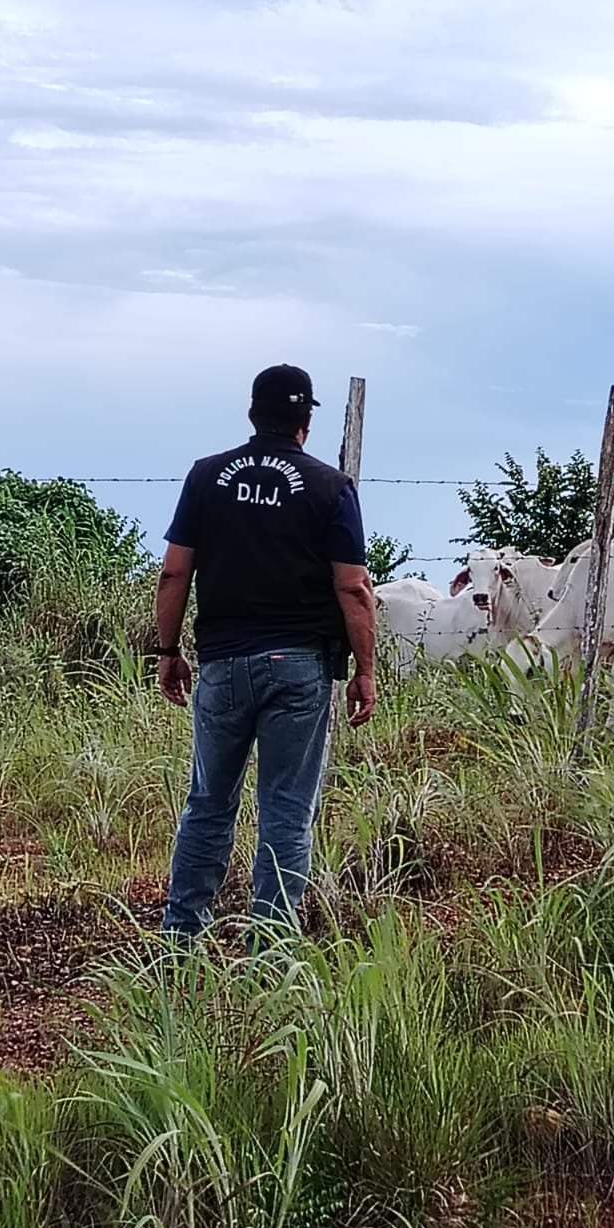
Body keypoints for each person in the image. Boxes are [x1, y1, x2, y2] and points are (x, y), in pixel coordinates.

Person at [155, 363, 376, 941]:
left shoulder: (207, 477)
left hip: (223, 665)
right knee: (285, 811)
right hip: (301, 669)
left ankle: (180, 940)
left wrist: (168, 650)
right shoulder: (331, 487)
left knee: (208, 803)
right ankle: (272, 951)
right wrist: (365, 672)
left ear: (253, 414)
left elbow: (174, 572)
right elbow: (353, 587)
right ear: (306, 422)